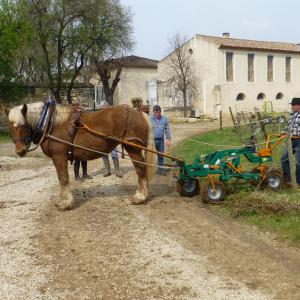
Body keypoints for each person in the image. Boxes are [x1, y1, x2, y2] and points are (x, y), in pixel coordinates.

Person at [99, 100, 123, 178]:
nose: (102, 110)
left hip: (112, 139)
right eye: (101, 108)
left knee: (114, 154)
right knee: (104, 154)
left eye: (103, 108)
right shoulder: (99, 117)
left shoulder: (112, 116)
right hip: (103, 139)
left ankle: (117, 170)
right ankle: (107, 170)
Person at [281, 97, 300, 186]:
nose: (291, 106)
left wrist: (291, 133)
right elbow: (288, 126)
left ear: (298, 106)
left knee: (298, 162)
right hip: (291, 140)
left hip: (299, 140)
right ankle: (288, 179)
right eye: (291, 104)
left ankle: (298, 183)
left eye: (293, 105)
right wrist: (284, 131)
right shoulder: (293, 114)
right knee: (284, 159)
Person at [151, 105, 171, 175]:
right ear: (153, 112)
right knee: (152, 156)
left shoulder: (164, 119)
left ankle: (161, 169)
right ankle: (152, 170)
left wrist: (168, 139)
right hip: (152, 141)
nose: (157, 114)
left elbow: (167, 130)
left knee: (161, 155)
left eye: (158, 112)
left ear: (160, 112)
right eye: (155, 112)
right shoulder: (150, 119)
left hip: (161, 141)